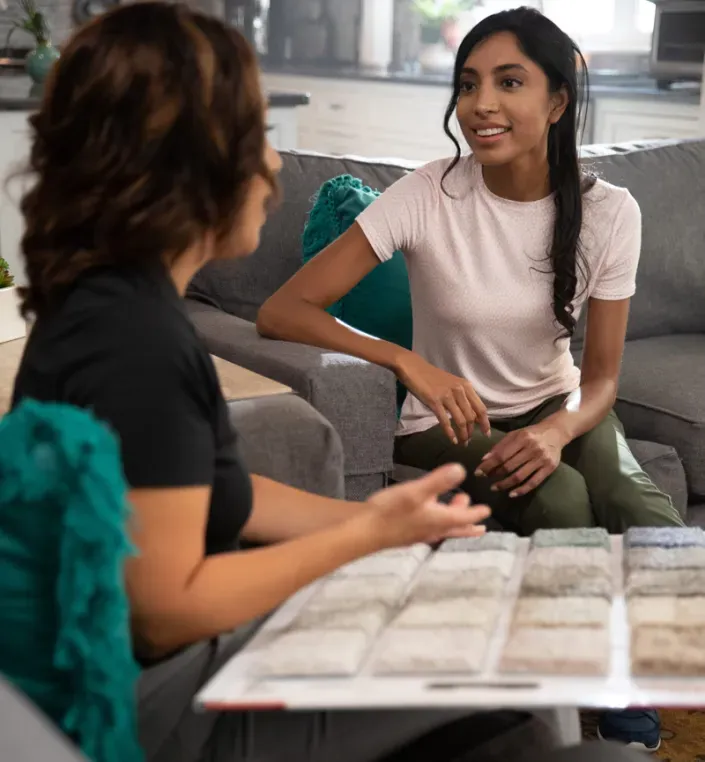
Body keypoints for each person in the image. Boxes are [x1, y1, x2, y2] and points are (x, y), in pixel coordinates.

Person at [7, 4, 646, 762]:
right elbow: (166, 613)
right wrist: (366, 539)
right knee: (512, 660)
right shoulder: (137, 346)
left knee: (486, 643)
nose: (275, 165)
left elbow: (211, 495)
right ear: (189, 166)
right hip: (155, 705)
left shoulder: (114, 309)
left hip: (145, 675)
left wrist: (377, 518)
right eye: (256, 138)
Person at [256, 7, 674, 753]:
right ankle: (601, 683)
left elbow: (601, 378)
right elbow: (284, 310)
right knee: (561, 495)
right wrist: (406, 362)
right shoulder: (427, 193)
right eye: (468, 83)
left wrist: (554, 427)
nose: (480, 103)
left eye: (508, 82)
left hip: (560, 406)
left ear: (556, 101)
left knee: (629, 496)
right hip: (445, 426)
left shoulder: (612, 211)